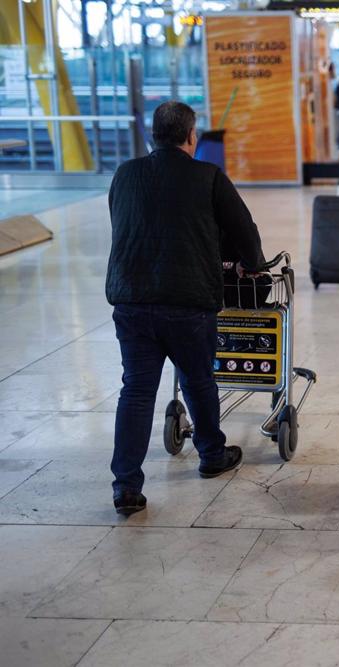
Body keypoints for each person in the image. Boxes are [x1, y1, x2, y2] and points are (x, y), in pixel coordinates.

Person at [105, 101, 264, 516]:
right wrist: (254, 265)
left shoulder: (125, 174)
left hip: (131, 300)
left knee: (136, 392)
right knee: (196, 380)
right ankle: (211, 453)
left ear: (151, 137)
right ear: (192, 136)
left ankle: (126, 486)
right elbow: (243, 229)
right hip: (188, 300)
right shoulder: (208, 176)